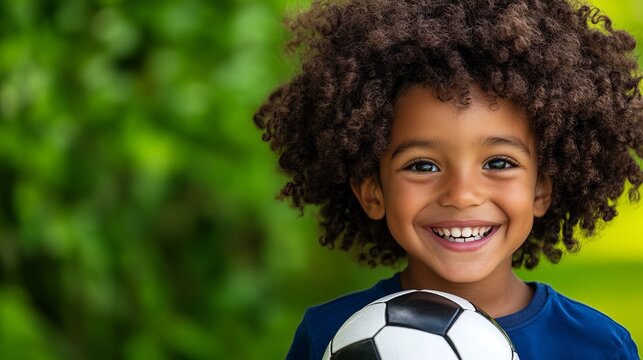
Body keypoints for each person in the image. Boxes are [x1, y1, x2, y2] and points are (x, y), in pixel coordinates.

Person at [254, 0, 643, 359]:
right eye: (422, 166)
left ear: (541, 187)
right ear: (372, 190)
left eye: (499, 162)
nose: (462, 195)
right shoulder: (327, 334)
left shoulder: (597, 346)